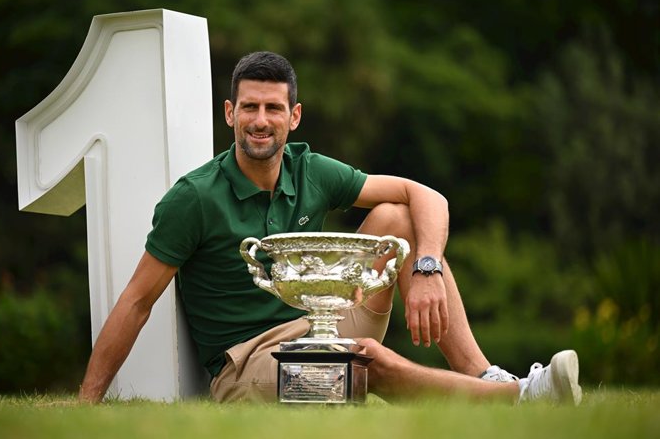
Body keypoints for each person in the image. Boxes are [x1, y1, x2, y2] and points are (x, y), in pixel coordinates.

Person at [78, 51, 582, 405]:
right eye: (249, 107)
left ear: (293, 117)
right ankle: (517, 397)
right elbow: (137, 301)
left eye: (273, 108)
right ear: (230, 114)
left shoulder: (309, 169)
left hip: (321, 320)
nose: (260, 119)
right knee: (365, 363)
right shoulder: (194, 198)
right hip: (249, 364)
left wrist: (426, 265)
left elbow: (426, 196)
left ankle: (484, 373)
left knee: (397, 221)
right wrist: (86, 403)